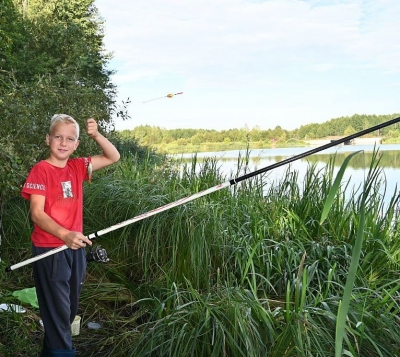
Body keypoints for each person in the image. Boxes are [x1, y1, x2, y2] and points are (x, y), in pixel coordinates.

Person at [21, 114, 120, 356]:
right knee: (57, 311)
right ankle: (63, 352)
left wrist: (96, 135)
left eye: (70, 139)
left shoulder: (77, 167)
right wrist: (65, 235)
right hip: (50, 250)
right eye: (58, 137)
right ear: (48, 139)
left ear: (76, 144)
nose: (63, 143)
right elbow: (37, 214)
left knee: (66, 311)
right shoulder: (41, 170)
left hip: (74, 248)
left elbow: (113, 156)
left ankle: (51, 351)